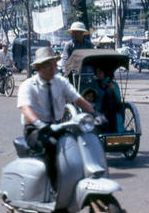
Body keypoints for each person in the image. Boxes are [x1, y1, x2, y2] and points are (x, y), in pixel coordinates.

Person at [17, 47, 95, 189]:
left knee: (77, 143)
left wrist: (94, 113)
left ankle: (74, 180)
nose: (53, 68)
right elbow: (25, 108)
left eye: (54, 64)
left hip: (57, 126)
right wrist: (39, 124)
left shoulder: (60, 82)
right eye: (48, 65)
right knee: (52, 145)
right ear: (39, 68)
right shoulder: (28, 85)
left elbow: (77, 98)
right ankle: (55, 189)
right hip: (35, 130)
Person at [94, 66, 123, 133]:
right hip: (98, 108)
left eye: (100, 72)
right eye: (97, 72)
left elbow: (119, 99)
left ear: (105, 73)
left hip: (111, 109)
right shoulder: (95, 84)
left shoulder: (113, 84)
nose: (97, 75)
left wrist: (114, 89)